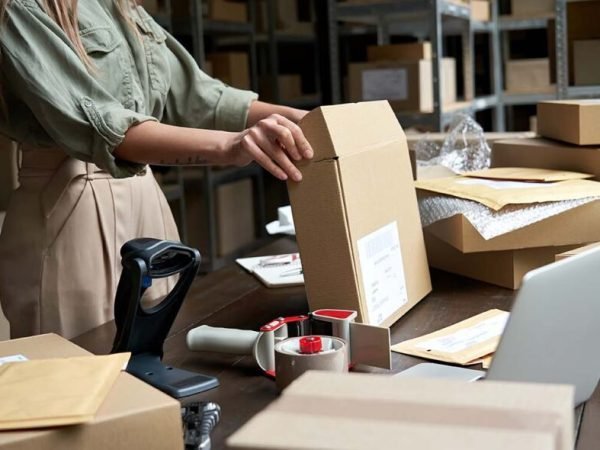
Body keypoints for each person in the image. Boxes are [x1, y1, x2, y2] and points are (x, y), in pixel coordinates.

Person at [0, 0, 314, 339]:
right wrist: (232, 146)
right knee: (84, 363)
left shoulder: (118, 5)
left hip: (142, 188)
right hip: (73, 197)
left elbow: (197, 94)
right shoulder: (23, 6)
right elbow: (107, 128)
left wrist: (307, 120)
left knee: (163, 351)